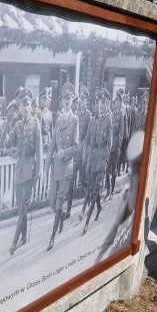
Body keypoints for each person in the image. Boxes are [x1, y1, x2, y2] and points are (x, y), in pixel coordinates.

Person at [5, 88, 43, 255]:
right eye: (22, 105)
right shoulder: (17, 125)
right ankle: (25, 236)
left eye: (28, 105)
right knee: (21, 206)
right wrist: (7, 121)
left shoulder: (36, 124)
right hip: (19, 170)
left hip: (29, 170)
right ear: (19, 108)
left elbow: (39, 152)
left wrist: (38, 174)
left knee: (22, 209)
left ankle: (14, 242)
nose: (26, 108)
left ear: (30, 106)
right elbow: (6, 143)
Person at [45, 82, 79, 251]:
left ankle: (52, 237)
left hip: (66, 168)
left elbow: (76, 146)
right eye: (64, 99)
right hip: (56, 168)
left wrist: (64, 153)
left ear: (72, 100)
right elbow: (52, 144)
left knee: (58, 201)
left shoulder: (74, 120)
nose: (67, 101)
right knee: (51, 201)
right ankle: (58, 219)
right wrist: (45, 167)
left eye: (69, 98)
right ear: (61, 101)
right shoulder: (58, 119)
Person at [81, 88, 112, 235]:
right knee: (92, 186)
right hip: (94, 158)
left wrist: (105, 159)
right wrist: (88, 159)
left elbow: (109, 143)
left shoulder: (108, 119)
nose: (101, 105)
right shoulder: (95, 120)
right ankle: (98, 207)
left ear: (107, 104)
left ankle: (86, 222)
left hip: (102, 159)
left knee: (95, 189)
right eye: (99, 103)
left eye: (104, 103)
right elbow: (90, 142)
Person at [65, 85, 92, 220]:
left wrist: (82, 149)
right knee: (70, 182)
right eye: (80, 99)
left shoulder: (88, 115)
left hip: (82, 153)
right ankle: (68, 211)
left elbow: (87, 136)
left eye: (84, 99)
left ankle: (89, 203)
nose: (82, 101)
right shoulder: (75, 115)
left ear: (87, 101)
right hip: (75, 153)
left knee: (83, 181)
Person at [105, 89, 123, 199]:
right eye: (114, 101)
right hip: (109, 146)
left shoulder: (121, 114)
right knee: (107, 170)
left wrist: (119, 146)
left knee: (113, 170)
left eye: (116, 102)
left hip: (116, 146)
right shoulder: (111, 113)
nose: (114, 103)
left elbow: (121, 132)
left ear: (120, 103)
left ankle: (111, 191)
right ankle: (107, 190)